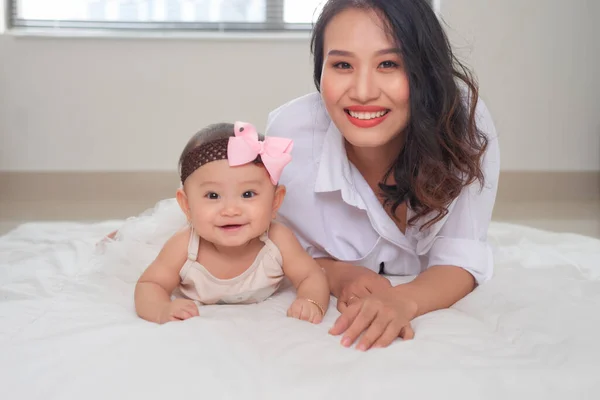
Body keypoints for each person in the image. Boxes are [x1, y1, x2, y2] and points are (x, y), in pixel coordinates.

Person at [266, 0, 500, 351]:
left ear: (426, 71)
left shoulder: (463, 120)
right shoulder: (290, 141)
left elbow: (460, 256)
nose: (362, 91)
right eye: (342, 64)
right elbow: (274, 244)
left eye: (389, 64)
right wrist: (338, 273)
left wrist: (403, 300)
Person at [133, 122, 330, 324]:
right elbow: (150, 284)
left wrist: (311, 300)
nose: (230, 210)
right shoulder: (184, 245)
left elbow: (311, 275)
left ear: (275, 201)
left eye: (247, 194)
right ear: (187, 205)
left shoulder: (278, 240)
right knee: (140, 243)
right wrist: (161, 308)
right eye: (213, 195)